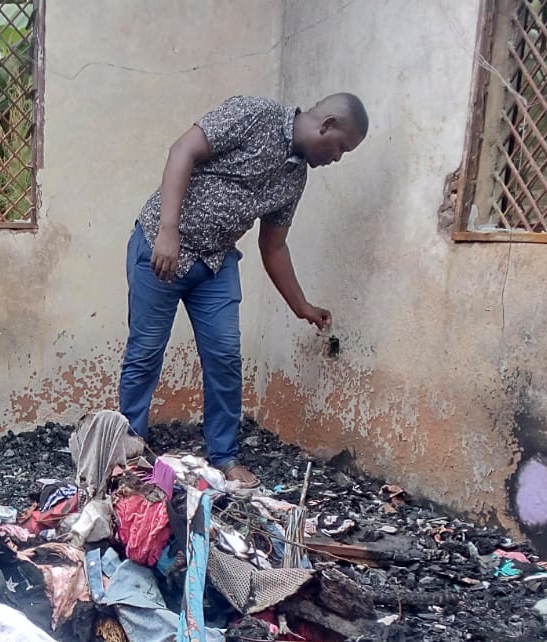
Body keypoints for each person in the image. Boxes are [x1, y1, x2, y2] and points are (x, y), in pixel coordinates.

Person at [118, 93, 368, 487]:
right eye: (340, 148)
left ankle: (224, 455)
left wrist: (300, 305)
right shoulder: (255, 114)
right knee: (146, 351)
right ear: (328, 124)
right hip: (160, 248)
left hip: (215, 264)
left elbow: (273, 246)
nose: (335, 159)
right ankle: (129, 450)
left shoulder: (293, 178)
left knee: (225, 356)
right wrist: (169, 231)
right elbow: (183, 149)